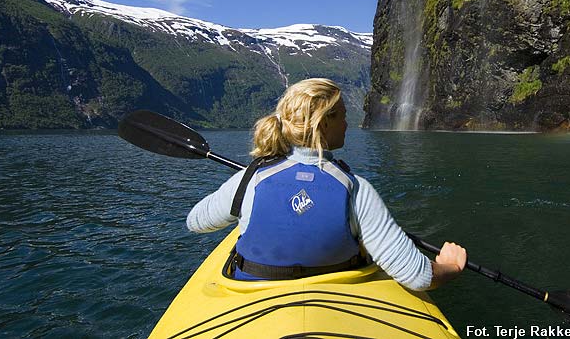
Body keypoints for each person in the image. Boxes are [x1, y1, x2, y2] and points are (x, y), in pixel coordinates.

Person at [186, 78, 467, 290]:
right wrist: (450, 266)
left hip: (250, 292)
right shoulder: (356, 189)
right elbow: (419, 277)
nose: (348, 124)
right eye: (343, 116)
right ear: (323, 124)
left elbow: (196, 221)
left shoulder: (250, 179)